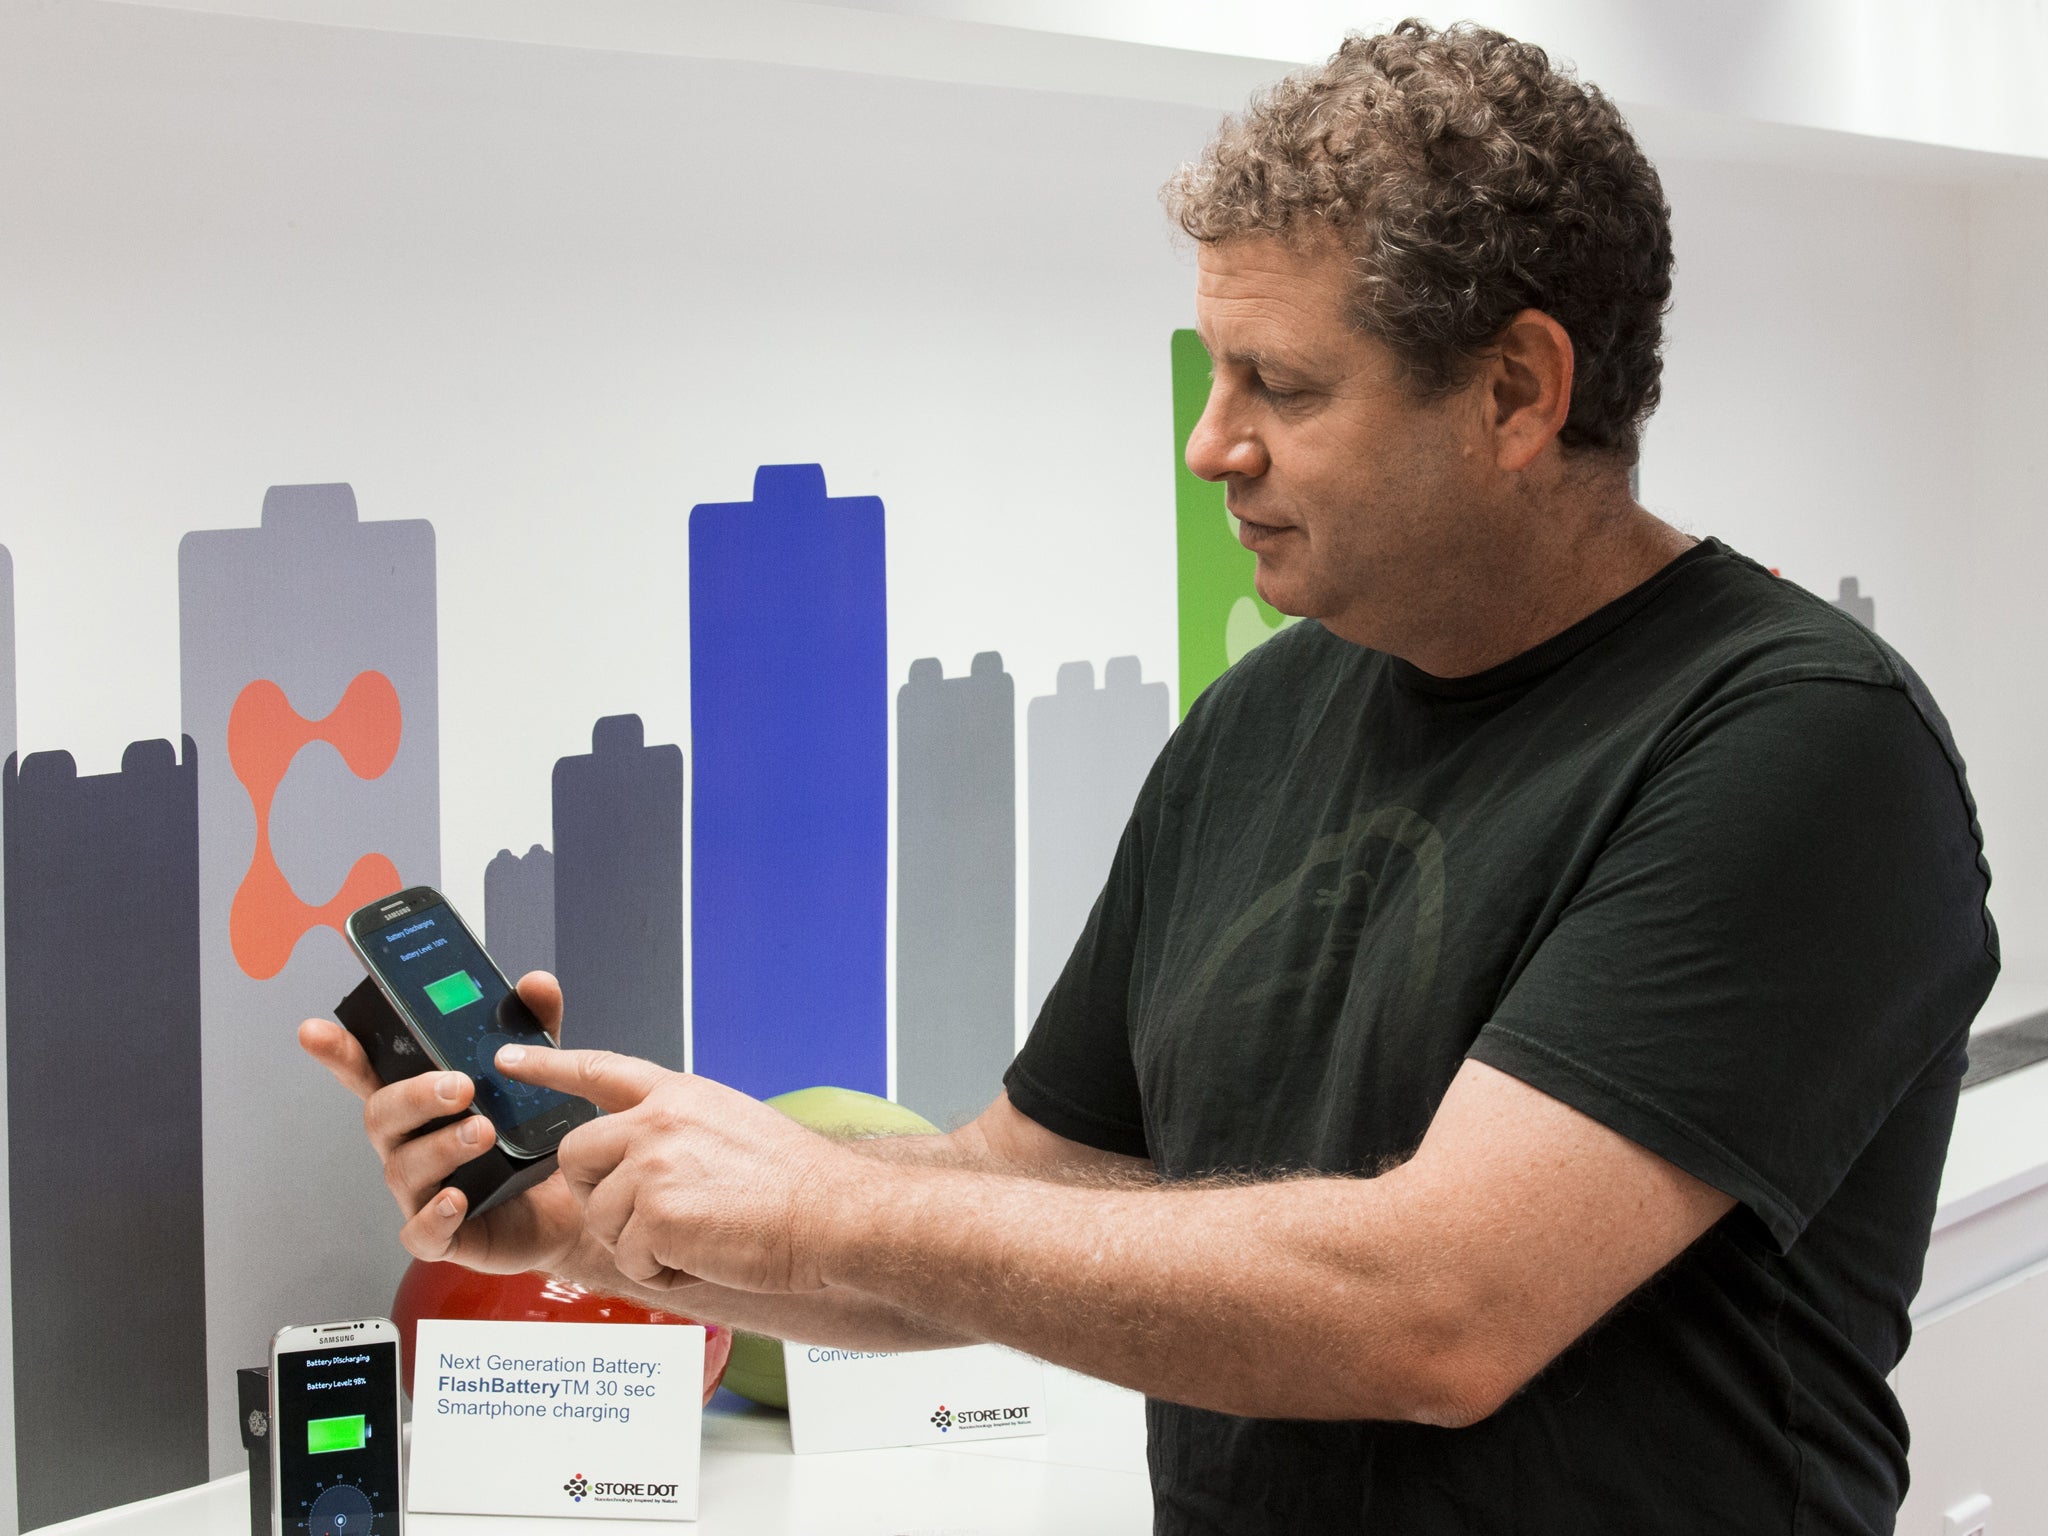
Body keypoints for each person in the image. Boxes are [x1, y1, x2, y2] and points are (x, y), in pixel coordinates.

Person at [303, 20, 1996, 1534]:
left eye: (1283, 385)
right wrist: (643, 1217)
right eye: (1213, 374)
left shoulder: (1797, 745)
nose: (1212, 443)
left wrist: (821, 1212)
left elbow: (1437, 1309)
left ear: (1516, 392)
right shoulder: (1261, 722)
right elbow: (1026, 1204)